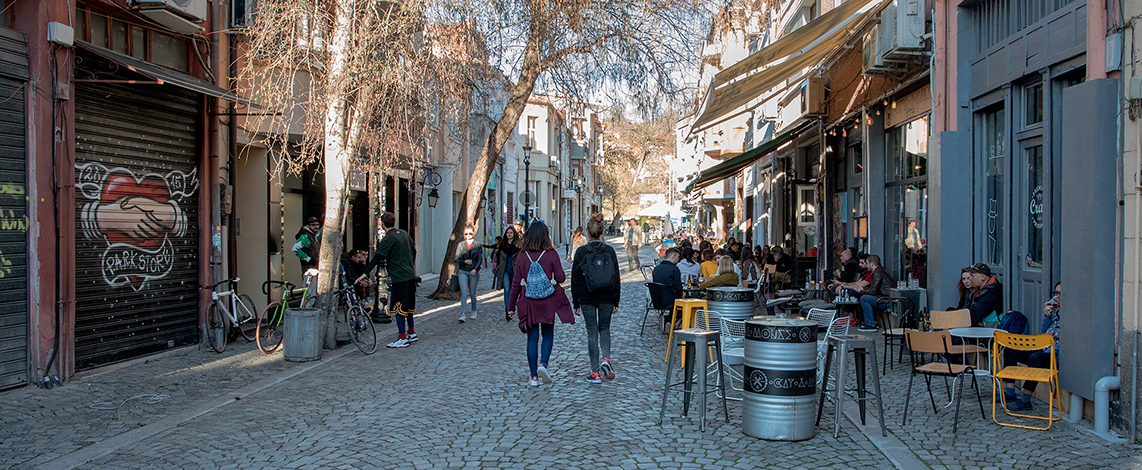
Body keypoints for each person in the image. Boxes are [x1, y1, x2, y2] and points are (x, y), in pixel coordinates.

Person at [508, 223, 574, 386]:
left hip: (529, 301)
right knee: (548, 334)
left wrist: (510, 306)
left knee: (532, 338)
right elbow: (560, 278)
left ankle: (533, 377)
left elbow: (516, 282)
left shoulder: (523, 256)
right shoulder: (551, 254)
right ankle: (543, 364)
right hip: (547, 301)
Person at [570, 213, 621, 384]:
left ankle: (595, 373)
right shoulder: (609, 250)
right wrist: (616, 300)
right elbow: (616, 277)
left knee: (592, 332)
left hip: (587, 296)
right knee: (605, 328)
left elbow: (575, 278)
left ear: (588, 232)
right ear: (601, 231)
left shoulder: (581, 252)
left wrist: (575, 301)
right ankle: (606, 359)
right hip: (607, 295)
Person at [358, 212, 418, 348]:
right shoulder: (404, 233)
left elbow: (377, 257)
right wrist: (410, 264)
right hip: (410, 275)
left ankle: (402, 337)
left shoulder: (388, 238)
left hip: (399, 277)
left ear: (382, 223)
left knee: (398, 307)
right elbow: (414, 251)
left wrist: (365, 274)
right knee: (409, 306)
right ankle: (412, 332)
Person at [1002, 282, 1061, 411]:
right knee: (1010, 350)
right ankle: (1010, 392)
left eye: (1060, 294)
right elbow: (1045, 332)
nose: (1057, 297)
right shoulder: (1056, 310)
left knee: (1035, 358)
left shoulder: (1072, 314)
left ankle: (1025, 400)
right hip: (1046, 348)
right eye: (1056, 293)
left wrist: (1049, 348)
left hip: (1057, 353)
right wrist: (1047, 316)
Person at [856, 255, 895, 331]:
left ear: (872, 264)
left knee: (864, 298)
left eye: (867, 263)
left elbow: (873, 291)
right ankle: (872, 322)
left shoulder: (877, 273)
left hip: (886, 300)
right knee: (866, 298)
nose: (866, 266)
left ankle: (870, 324)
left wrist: (862, 291)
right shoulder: (879, 271)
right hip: (886, 298)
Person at [455, 224, 483, 323]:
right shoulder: (461, 245)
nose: (468, 235)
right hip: (463, 270)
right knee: (464, 292)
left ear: (473, 234)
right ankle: (463, 314)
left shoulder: (478, 245)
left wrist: (475, 269)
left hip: (473, 271)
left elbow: (480, 259)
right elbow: (457, 258)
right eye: (466, 234)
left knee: (472, 292)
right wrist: (464, 262)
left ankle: (474, 310)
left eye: (470, 233)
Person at [964, 263, 1003, 327]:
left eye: (973, 276)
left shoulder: (993, 292)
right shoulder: (977, 290)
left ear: (983, 277)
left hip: (990, 332)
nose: (970, 279)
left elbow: (975, 315)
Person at [494, 226, 521, 320]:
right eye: (507, 233)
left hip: (515, 269)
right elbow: (497, 258)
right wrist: (497, 268)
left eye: (511, 233)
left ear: (514, 234)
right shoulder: (502, 245)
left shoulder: (518, 245)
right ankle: (507, 310)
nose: (509, 234)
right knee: (507, 289)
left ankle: (514, 306)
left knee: (515, 289)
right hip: (505, 269)